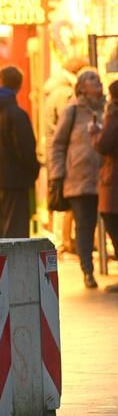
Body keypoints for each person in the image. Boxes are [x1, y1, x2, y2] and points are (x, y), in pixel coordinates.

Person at [50, 69, 104, 288]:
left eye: (97, 78)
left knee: (112, 224)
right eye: (91, 78)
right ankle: (87, 270)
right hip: (79, 179)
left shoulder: (109, 108)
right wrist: (57, 175)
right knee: (85, 226)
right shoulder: (72, 110)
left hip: (107, 178)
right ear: (81, 86)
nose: (97, 81)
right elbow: (58, 144)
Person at [0, 66, 40, 239]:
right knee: (15, 232)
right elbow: (26, 149)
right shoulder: (17, 115)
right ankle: (13, 265)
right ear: (19, 86)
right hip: (16, 181)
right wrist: (34, 171)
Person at [44, 57, 88, 253]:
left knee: (62, 198)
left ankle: (64, 242)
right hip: (64, 154)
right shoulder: (64, 93)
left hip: (57, 151)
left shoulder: (55, 89)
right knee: (63, 199)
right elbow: (66, 125)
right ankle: (62, 242)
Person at [91, 79, 118, 293]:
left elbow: (104, 144)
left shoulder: (114, 115)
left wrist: (95, 133)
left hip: (114, 179)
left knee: (112, 222)